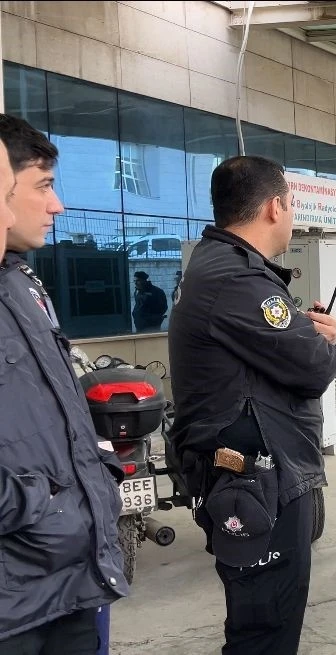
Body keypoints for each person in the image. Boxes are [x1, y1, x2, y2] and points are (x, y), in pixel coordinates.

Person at [169, 155, 336, 654]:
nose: (291, 214)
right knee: (265, 628)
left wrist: (309, 335)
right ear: (274, 207)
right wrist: (331, 341)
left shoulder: (223, 268)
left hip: (254, 474)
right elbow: (312, 369)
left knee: (266, 620)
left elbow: (273, 357)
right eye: (290, 204)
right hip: (255, 480)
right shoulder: (238, 279)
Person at [0, 114, 129, 651]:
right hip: (15, 598)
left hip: (68, 578)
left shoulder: (22, 286)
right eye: (43, 186)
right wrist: (41, 500)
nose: (57, 205)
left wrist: (95, 476)